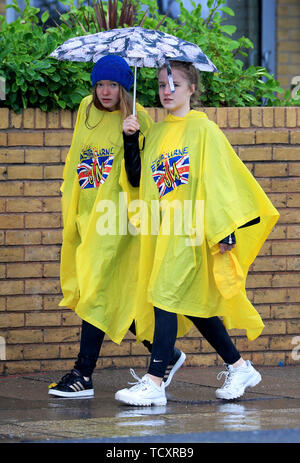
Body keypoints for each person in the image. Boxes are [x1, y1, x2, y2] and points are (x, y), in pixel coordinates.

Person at [115, 60, 279, 406]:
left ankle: (155, 382)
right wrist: (131, 140)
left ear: (192, 89)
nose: (167, 91)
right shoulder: (155, 134)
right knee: (194, 305)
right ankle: (239, 366)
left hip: (194, 231)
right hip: (165, 233)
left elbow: (220, 181)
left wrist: (226, 230)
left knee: (164, 296)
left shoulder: (205, 132)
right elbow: (136, 179)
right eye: (161, 84)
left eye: (175, 84)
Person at [48, 55, 186, 398]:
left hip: (118, 220)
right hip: (87, 216)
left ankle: (83, 373)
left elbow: (143, 178)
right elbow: (75, 158)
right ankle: (164, 352)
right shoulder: (85, 108)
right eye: (99, 84)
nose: (105, 91)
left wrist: (131, 138)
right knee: (110, 292)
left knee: (96, 289)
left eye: (112, 84)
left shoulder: (139, 119)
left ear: (124, 87)